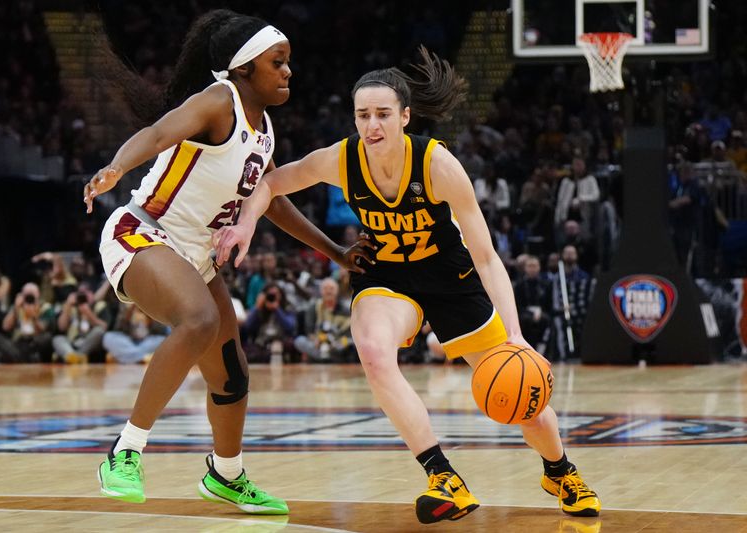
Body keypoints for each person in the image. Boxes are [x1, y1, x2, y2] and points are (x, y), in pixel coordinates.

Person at [215, 46, 601, 524]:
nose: (371, 125)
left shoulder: (438, 164)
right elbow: (272, 183)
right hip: (387, 276)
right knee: (374, 352)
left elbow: (484, 255)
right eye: (362, 115)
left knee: (521, 390)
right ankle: (443, 477)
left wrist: (516, 335)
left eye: (382, 114)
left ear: (404, 116)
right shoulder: (342, 160)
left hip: (449, 275)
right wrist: (248, 222)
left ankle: (559, 470)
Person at [82, 9, 368, 514]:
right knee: (199, 319)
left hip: (196, 256)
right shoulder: (219, 100)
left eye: (288, 63)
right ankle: (125, 452)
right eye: (277, 63)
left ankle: (226, 474)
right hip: (143, 232)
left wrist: (337, 253)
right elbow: (156, 134)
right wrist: (115, 167)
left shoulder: (264, 131)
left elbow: (274, 200)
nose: (288, 72)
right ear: (242, 69)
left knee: (232, 375)